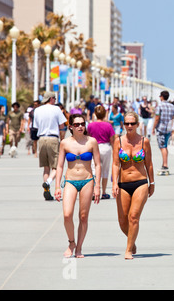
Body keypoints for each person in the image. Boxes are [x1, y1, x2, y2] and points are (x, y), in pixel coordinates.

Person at [54, 114, 101, 258]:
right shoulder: (65, 143)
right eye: (77, 124)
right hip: (70, 181)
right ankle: (71, 242)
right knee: (67, 214)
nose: (80, 126)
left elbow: (98, 164)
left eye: (82, 124)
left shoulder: (91, 142)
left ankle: (79, 248)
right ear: (71, 127)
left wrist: (97, 186)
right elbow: (60, 166)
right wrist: (57, 187)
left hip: (87, 180)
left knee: (83, 216)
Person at [112, 111, 155, 260]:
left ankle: (128, 250)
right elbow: (115, 164)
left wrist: (152, 182)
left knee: (134, 217)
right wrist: (114, 183)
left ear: (137, 124)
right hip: (123, 183)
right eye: (127, 123)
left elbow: (149, 164)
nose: (129, 126)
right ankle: (132, 242)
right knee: (122, 221)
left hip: (140, 182)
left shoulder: (144, 141)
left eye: (132, 123)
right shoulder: (118, 141)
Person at [33, 92, 67, 201]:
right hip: (53, 138)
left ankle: (46, 189)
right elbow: (62, 126)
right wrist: (62, 139)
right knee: (57, 166)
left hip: (42, 139)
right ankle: (48, 182)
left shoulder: (37, 110)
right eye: (55, 98)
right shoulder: (56, 109)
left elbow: (36, 126)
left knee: (46, 167)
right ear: (51, 99)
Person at [87, 105, 115, 199]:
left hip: (94, 147)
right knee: (105, 170)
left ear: (95, 114)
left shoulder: (90, 125)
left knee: (94, 169)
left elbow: (87, 138)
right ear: (104, 114)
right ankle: (103, 192)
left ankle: (94, 191)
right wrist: (114, 150)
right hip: (106, 147)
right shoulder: (108, 125)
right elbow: (112, 140)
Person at [153, 91, 174, 171]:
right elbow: (173, 118)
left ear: (162, 97)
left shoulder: (159, 106)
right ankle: (164, 163)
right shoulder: (172, 106)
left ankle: (165, 164)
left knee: (162, 147)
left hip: (161, 128)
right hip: (168, 129)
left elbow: (157, 118)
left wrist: (153, 128)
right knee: (165, 146)